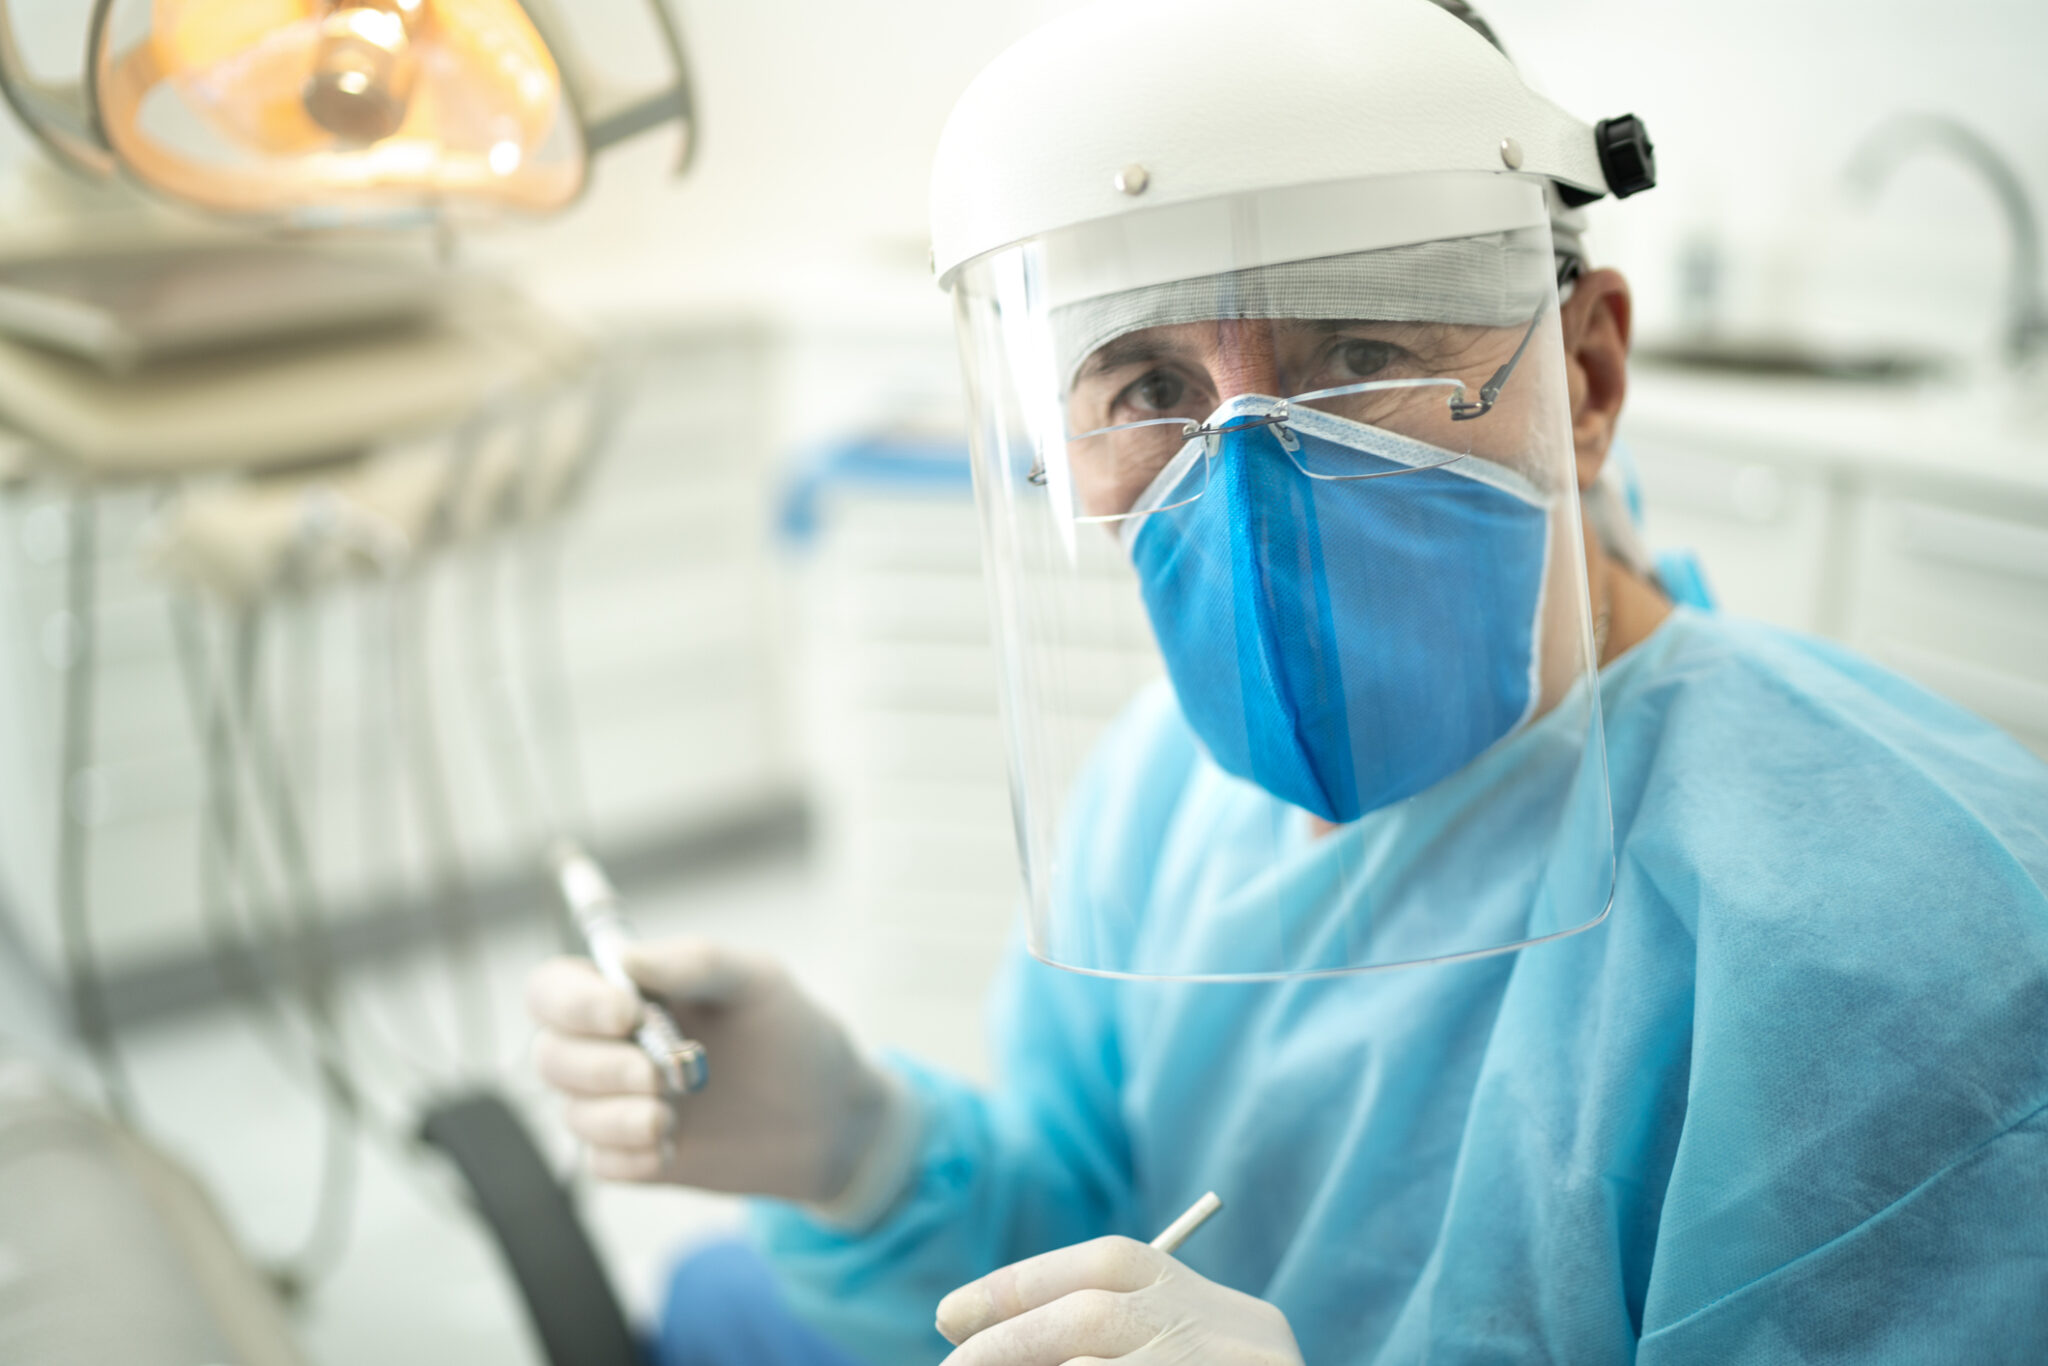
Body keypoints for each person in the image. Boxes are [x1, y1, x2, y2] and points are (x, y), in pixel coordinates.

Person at [527, 1, 2048, 1362]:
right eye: (1153, 388)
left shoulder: (1906, 939)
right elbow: (1097, 1247)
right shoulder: (1159, 798)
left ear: (1582, 379)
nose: (1248, 471)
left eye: (1355, 351)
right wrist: (854, 1146)